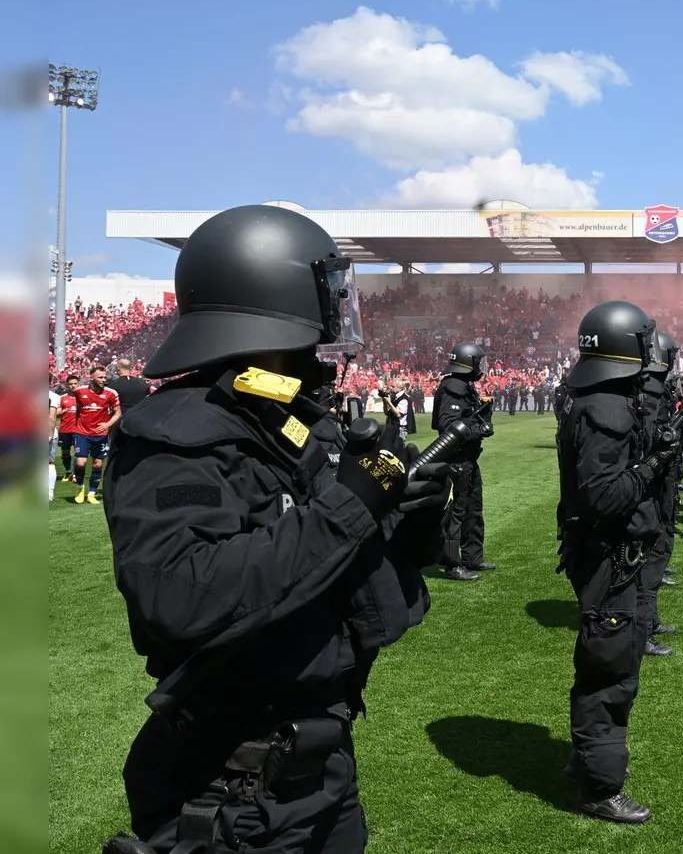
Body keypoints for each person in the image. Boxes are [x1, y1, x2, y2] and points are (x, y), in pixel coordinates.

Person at [100, 204, 450, 853]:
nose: (326, 338)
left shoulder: (284, 424)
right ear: (269, 311)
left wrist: (401, 513)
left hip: (317, 765)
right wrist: (350, 508)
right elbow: (180, 596)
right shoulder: (179, 438)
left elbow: (327, 573)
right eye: (317, 316)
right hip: (232, 789)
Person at [556, 300, 676, 822]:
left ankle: (587, 760)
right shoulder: (606, 408)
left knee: (601, 663)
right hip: (611, 557)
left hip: (602, 554)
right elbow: (605, 496)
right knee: (610, 672)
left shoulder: (593, 398)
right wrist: (653, 464)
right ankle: (599, 787)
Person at [433, 342, 496, 581]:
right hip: (457, 460)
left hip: (468, 458)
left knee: (473, 509)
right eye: (478, 361)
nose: (481, 366)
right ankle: (452, 564)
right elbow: (448, 427)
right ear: (468, 362)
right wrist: (479, 429)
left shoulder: (464, 385)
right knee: (457, 512)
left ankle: (473, 557)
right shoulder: (453, 386)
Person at [638, 330, 682, 657]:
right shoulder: (651, 389)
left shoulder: (652, 387)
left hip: (658, 477)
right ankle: (643, 631)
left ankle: (650, 621)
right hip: (653, 479)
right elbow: (650, 438)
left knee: (656, 552)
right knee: (650, 560)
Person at [70, 364, 121, 504]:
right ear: (91, 377)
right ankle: (80, 487)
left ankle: (92, 493)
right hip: (82, 433)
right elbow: (78, 409)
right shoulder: (79, 391)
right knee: (81, 463)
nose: (103, 379)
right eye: (100, 377)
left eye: (105, 377)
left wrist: (107, 424)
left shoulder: (111, 393)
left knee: (98, 465)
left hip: (101, 434)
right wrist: (78, 426)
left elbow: (118, 412)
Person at [56, 374, 78, 484]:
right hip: (64, 430)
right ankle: (68, 471)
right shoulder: (62, 398)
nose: (73, 386)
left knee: (78, 453)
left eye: (75, 384)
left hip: (78, 430)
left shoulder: (82, 397)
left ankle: (75, 473)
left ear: (78, 384)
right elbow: (56, 413)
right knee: (65, 452)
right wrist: (59, 412)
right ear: (67, 385)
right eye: (71, 384)